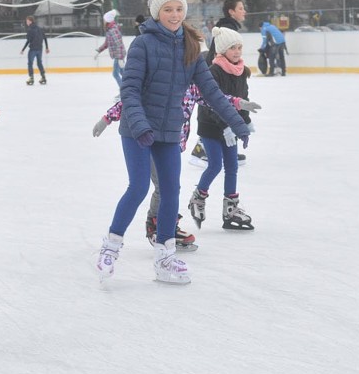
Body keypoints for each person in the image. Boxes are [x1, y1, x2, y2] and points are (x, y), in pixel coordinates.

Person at [95, 0, 250, 285]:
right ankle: (111, 247)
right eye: (168, 9)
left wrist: (237, 123)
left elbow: (212, 93)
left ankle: (165, 257)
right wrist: (140, 125)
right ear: (157, 13)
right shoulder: (142, 44)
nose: (175, 15)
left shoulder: (190, 47)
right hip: (137, 129)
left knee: (170, 191)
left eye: (179, 9)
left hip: (167, 131)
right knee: (139, 187)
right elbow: (129, 90)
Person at [92, 84, 261, 251]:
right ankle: (155, 225)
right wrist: (106, 119)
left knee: (171, 187)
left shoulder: (192, 88)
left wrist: (239, 103)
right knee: (160, 186)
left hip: (172, 145)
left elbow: (216, 100)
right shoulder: (160, 81)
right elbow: (129, 101)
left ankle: (165, 224)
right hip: (151, 140)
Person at [189, 27, 256, 232]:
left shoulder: (242, 71)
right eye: (232, 48)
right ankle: (198, 198)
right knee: (215, 165)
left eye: (239, 47)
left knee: (232, 166)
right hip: (210, 126)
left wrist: (244, 121)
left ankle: (230, 210)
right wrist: (225, 126)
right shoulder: (213, 71)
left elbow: (241, 100)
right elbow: (210, 103)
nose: (237, 52)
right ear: (221, 50)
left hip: (231, 127)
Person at [193, 0, 248, 167]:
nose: (244, 11)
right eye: (240, 8)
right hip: (218, 71)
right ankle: (203, 149)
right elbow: (218, 54)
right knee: (216, 107)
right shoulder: (227, 28)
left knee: (222, 106)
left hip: (220, 70)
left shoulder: (227, 26)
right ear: (231, 11)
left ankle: (209, 147)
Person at [94, 9, 126, 92]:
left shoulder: (113, 30)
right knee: (124, 75)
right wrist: (98, 50)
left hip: (118, 55)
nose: (103, 21)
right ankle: (129, 91)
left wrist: (120, 58)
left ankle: (124, 92)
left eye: (104, 19)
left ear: (108, 20)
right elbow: (107, 43)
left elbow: (119, 44)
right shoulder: (110, 29)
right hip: (118, 55)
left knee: (115, 74)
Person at [20, 15, 49, 85]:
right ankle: (43, 77)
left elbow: (28, 41)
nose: (26, 22)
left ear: (30, 21)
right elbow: (45, 38)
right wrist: (47, 47)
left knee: (30, 63)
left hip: (33, 49)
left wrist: (23, 49)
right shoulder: (40, 28)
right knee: (39, 63)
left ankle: (31, 78)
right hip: (40, 49)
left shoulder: (30, 29)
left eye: (27, 21)